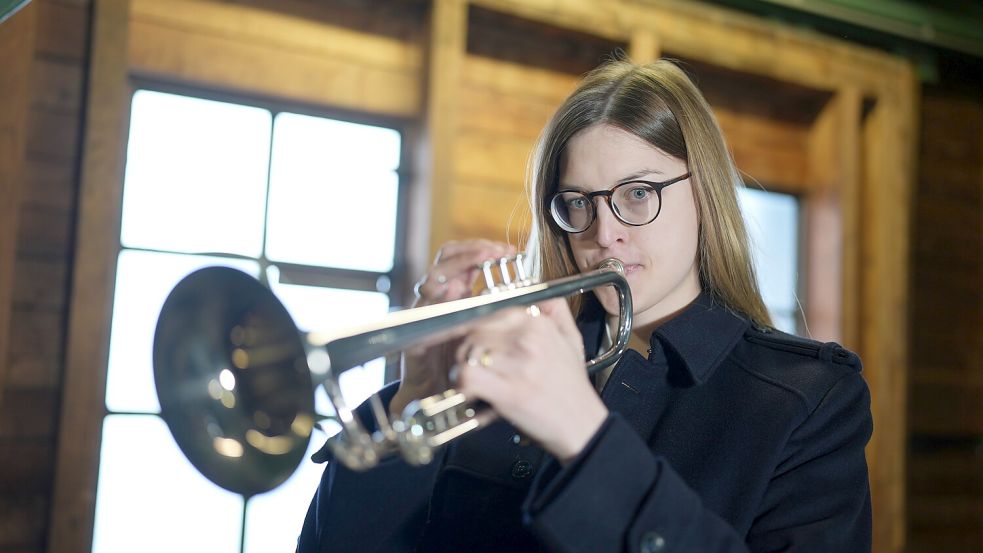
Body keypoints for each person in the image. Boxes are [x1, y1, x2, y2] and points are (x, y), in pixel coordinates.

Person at [296, 59, 872, 553]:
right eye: (578, 203)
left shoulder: (811, 397)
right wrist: (410, 399)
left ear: (704, 192)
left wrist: (584, 436)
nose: (605, 232)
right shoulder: (500, 369)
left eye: (638, 193)